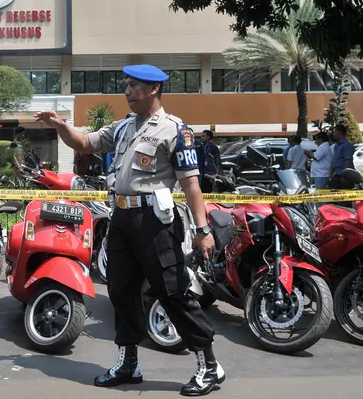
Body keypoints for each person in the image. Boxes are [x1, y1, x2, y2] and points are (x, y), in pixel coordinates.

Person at [34, 64, 224, 397]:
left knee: (172, 291)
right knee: (121, 291)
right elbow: (83, 141)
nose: (127, 91)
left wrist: (202, 228)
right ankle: (128, 363)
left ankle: (209, 365)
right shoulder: (122, 128)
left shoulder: (174, 130)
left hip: (155, 224)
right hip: (121, 220)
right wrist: (60, 126)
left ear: (153, 89)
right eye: (126, 85)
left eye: (134, 86)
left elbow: (191, 183)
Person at [329, 124, 355, 189]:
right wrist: (330, 173)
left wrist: (344, 176)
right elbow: (334, 160)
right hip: (336, 174)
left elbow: (347, 161)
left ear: (339, 132)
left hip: (346, 176)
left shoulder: (347, 145)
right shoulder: (336, 146)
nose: (333, 134)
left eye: (334, 132)